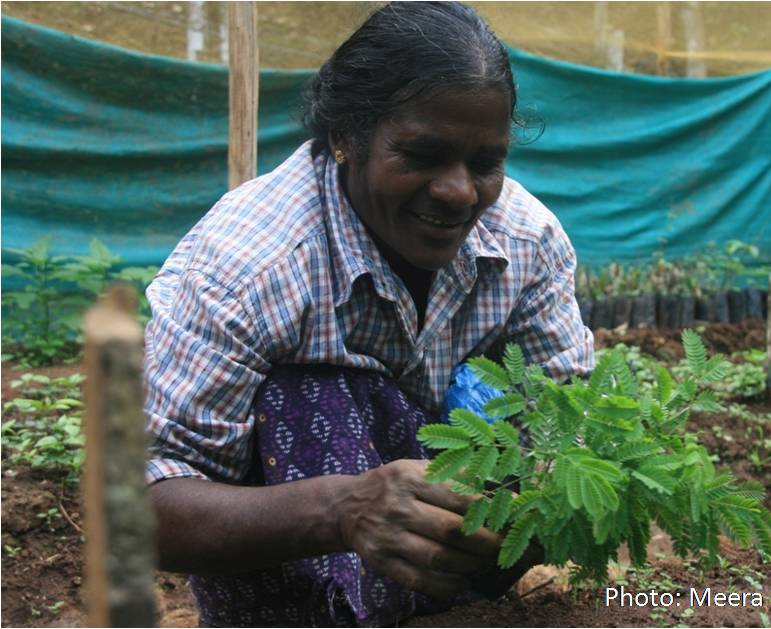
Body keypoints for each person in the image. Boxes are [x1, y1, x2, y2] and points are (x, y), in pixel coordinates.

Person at [144, 2, 594, 626]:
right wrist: (342, 508)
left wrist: (555, 494)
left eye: (485, 163)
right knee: (307, 390)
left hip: (462, 578)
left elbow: (568, 417)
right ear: (344, 137)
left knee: (532, 412)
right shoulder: (248, 269)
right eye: (422, 154)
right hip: (293, 588)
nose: (459, 192)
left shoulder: (525, 243)